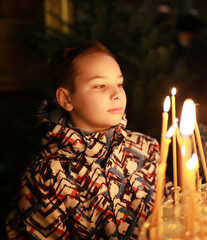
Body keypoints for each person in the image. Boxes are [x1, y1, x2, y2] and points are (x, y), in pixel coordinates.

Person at [6, 41, 161, 239]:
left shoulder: (146, 148)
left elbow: (173, 212)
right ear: (66, 99)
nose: (117, 95)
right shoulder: (47, 174)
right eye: (100, 86)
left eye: (119, 84)